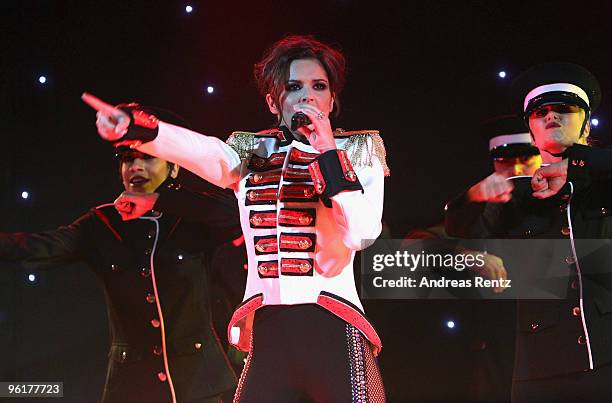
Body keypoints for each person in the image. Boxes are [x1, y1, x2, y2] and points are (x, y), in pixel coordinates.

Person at [84, 35, 389, 402]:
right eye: (293, 87)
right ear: (273, 101)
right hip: (268, 329)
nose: (307, 96)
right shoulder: (252, 150)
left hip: (333, 326)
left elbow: (362, 233)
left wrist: (326, 152)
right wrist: (141, 129)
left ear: (332, 98)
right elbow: (204, 152)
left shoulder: (358, 149)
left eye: (318, 86)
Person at [0, 110, 242, 403]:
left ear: (174, 168)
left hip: (198, 384)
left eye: (148, 157)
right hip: (132, 385)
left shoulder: (191, 220)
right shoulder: (102, 223)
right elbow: (38, 246)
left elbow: (238, 214)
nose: (136, 167)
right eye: (128, 159)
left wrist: (160, 199)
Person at [445, 62, 612, 402]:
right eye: (539, 113)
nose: (550, 116)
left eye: (563, 109)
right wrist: (476, 195)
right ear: (531, 130)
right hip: (542, 367)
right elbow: (459, 229)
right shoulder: (517, 194)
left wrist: (575, 164)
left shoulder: (603, 180)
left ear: (585, 120)